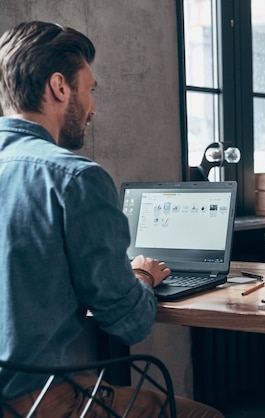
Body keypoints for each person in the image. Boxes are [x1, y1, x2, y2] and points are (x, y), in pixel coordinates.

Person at [0, 21, 223, 417]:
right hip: (35, 402)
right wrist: (142, 275)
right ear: (59, 87)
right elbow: (130, 325)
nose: (93, 108)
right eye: (91, 90)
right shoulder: (75, 178)